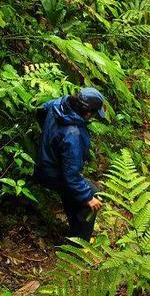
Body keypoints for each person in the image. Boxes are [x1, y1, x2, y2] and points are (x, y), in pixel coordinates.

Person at [34, 88, 105, 240]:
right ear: (87, 113)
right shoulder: (73, 134)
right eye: (93, 114)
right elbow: (71, 175)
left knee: (74, 193)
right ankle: (79, 244)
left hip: (44, 162)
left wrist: (49, 140)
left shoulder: (58, 104)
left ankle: (74, 229)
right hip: (51, 173)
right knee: (92, 195)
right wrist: (88, 197)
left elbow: (40, 111)